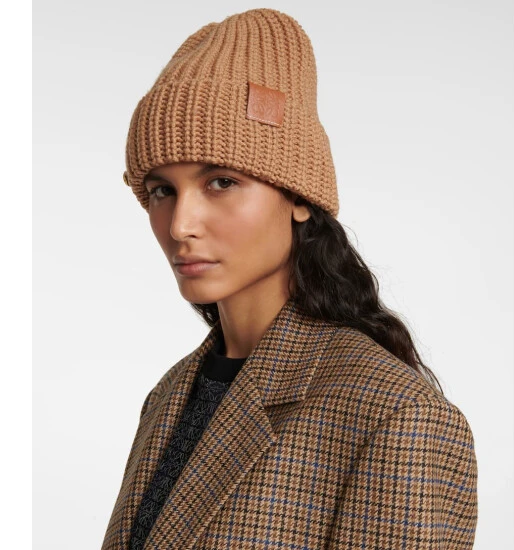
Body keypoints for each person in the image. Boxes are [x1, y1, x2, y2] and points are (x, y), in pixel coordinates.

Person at [101, 8, 478, 550]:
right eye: (162, 191)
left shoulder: (394, 414)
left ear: (300, 196)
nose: (180, 225)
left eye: (221, 182)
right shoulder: (170, 394)